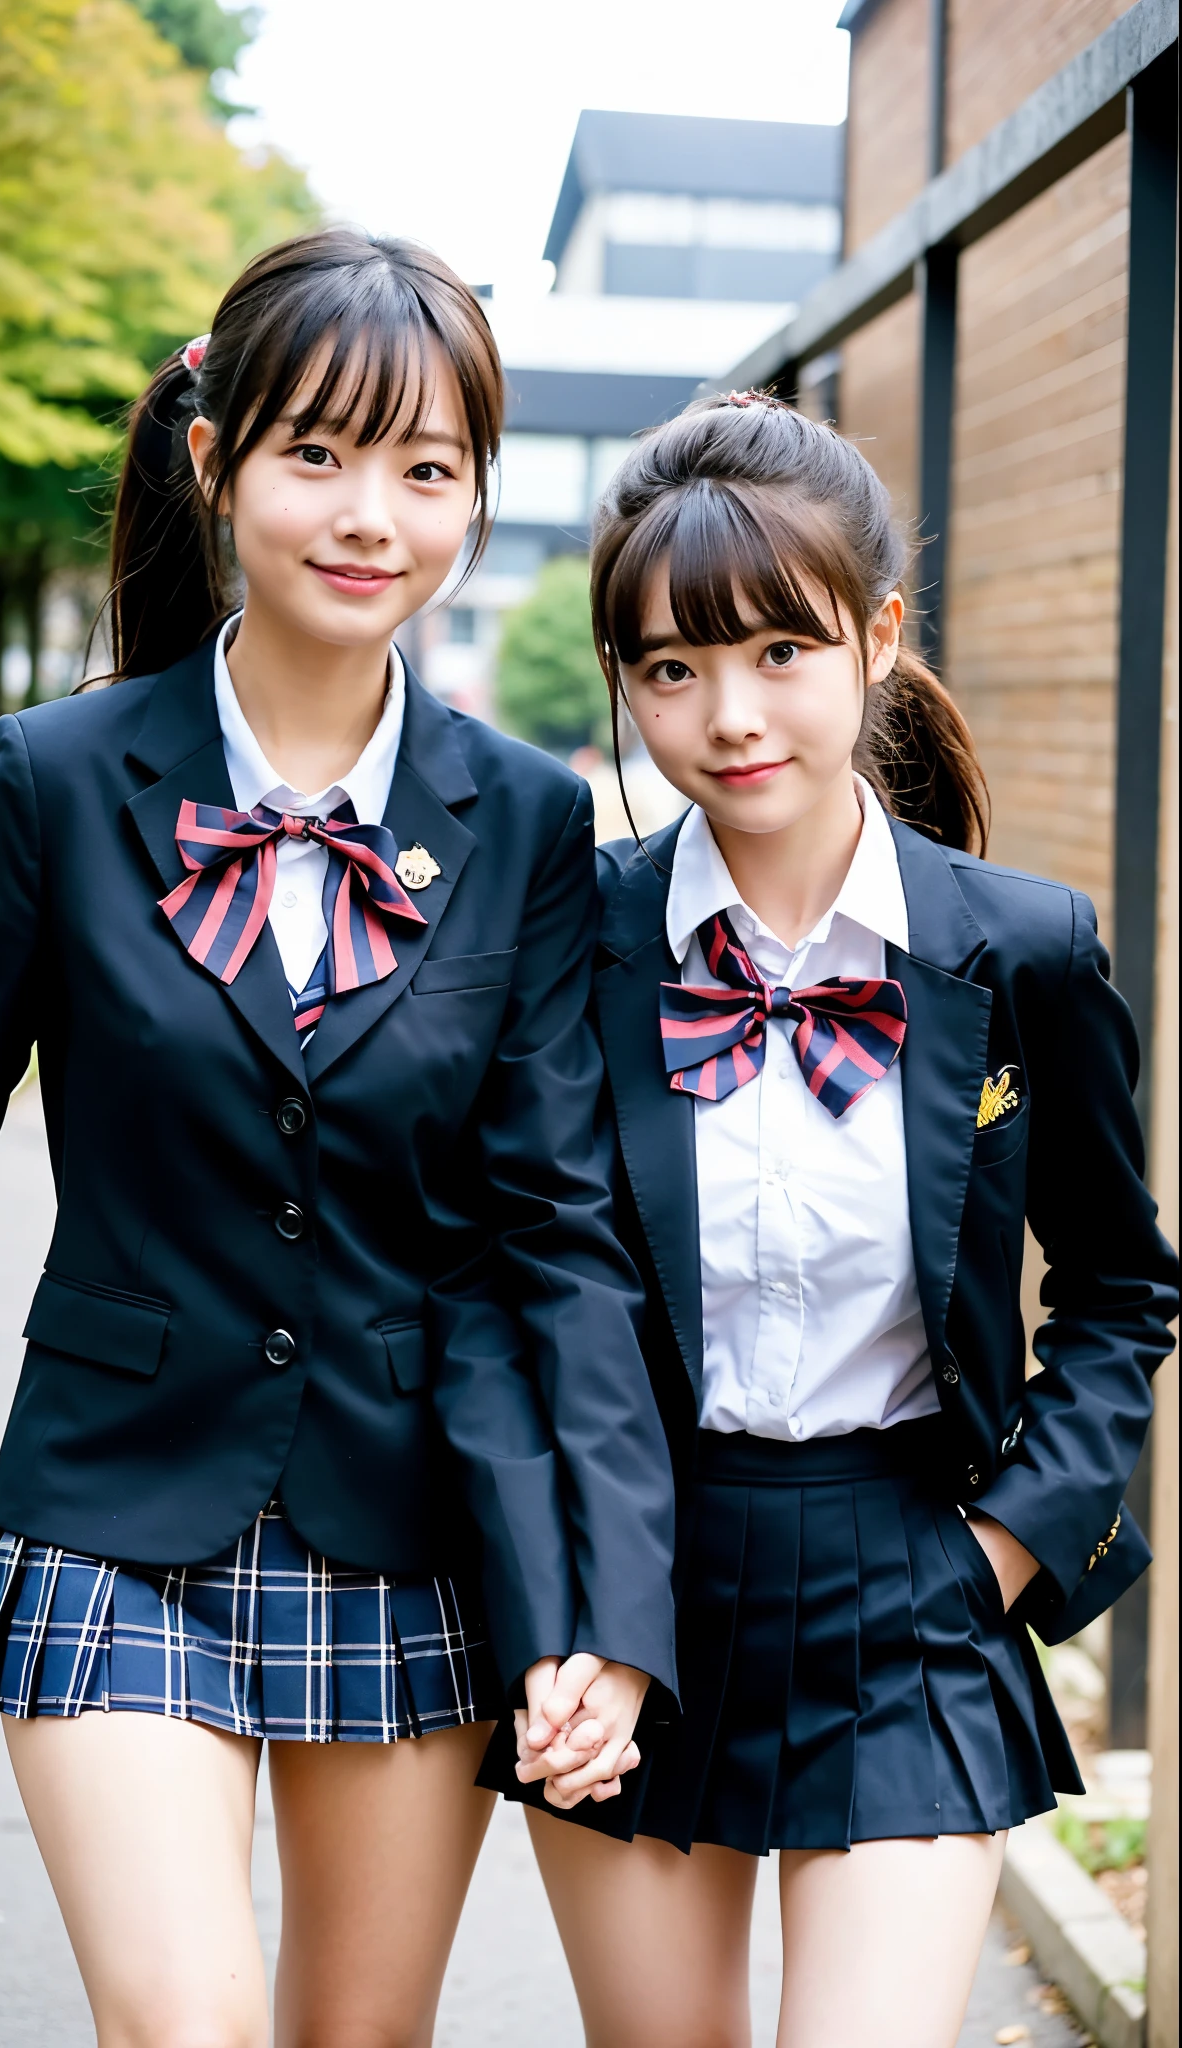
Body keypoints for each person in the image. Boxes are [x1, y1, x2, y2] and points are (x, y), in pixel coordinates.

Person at [0, 229, 677, 2048]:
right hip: (112, 1505)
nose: (374, 513)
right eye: (318, 454)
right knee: (189, 2027)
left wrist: (606, 1596)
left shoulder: (524, 822)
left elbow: (559, 1234)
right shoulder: (56, 781)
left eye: (428, 468)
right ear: (214, 461)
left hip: (412, 1519)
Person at [484, 393, 1179, 2048]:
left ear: (873, 639)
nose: (727, 716)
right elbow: (513, 1287)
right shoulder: (574, 938)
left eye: (779, 651)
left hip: (914, 1583)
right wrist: (562, 1617)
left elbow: (1120, 1288)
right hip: (634, 1577)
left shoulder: (1021, 951)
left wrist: (1003, 1549)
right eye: (667, 668)